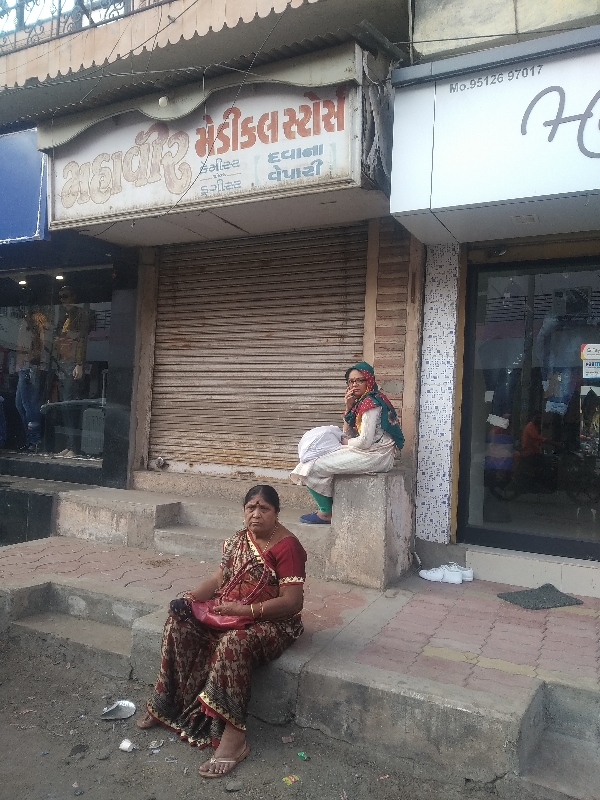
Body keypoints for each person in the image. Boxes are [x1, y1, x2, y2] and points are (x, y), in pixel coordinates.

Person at [136, 485, 307, 779]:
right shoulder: (238, 541)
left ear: (276, 513)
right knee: (179, 622)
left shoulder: (287, 546)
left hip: (274, 622)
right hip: (230, 613)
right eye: (251, 507)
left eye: (264, 508)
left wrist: (246, 611)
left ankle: (234, 738)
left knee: (234, 644)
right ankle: (169, 704)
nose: (256, 514)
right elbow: (218, 580)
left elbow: (293, 602)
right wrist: (191, 598)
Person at [290, 361, 405, 523]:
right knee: (312, 460)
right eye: (351, 381)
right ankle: (329, 508)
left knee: (312, 468)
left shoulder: (371, 404)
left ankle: (326, 513)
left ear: (369, 380)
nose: (355, 385)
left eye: (360, 380)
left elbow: (364, 442)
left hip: (376, 456)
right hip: (369, 451)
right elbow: (347, 434)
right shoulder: (363, 402)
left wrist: (346, 443)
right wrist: (348, 407)